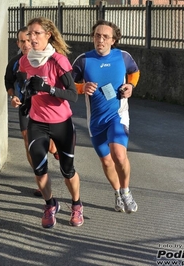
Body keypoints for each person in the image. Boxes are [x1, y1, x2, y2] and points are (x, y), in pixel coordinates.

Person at [18, 17, 83, 228]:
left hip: (61, 123)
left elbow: (73, 95)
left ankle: (76, 205)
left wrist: (48, 89)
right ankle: (50, 204)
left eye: (37, 33)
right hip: (37, 122)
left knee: (67, 170)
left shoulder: (58, 60)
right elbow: (24, 82)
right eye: (30, 34)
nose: (32, 37)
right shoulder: (25, 60)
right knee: (38, 167)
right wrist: (27, 98)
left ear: (49, 35)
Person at [72, 19, 140, 214]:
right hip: (95, 121)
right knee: (107, 161)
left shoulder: (123, 57)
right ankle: (117, 193)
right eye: (97, 36)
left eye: (105, 37)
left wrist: (131, 86)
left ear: (113, 40)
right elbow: (67, 84)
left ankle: (126, 191)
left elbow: (134, 72)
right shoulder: (84, 60)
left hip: (117, 115)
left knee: (119, 154)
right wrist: (81, 87)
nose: (100, 40)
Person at [4, 26, 59, 198]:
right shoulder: (15, 63)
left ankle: (54, 147)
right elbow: (9, 83)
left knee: (48, 143)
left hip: (45, 106)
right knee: (29, 142)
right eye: (22, 41)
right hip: (26, 106)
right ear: (18, 43)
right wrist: (13, 96)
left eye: (29, 40)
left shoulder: (46, 58)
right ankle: (41, 178)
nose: (26, 44)